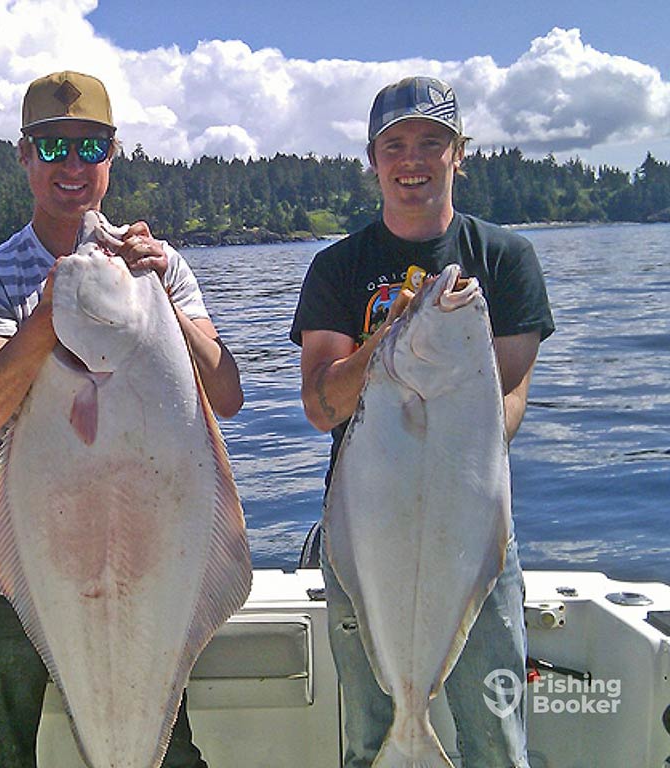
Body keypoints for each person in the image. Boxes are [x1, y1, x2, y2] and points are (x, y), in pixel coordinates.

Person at [0, 70, 243, 768]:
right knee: (2, 755)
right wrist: (52, 315)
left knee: (166, 747)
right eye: (51, 148)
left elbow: (225, 393)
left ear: (113, 156)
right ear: (23, 156)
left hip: (151, 549)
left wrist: (159, 293)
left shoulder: (161, 269)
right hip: (18, 558)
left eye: (90, 147)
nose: (72, 166)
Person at [290, 76, 554, 767]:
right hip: (365, 527)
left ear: (459, 153)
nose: (413, 159)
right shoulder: (337, 268)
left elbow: (509, 405)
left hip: (471, 531)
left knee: (497, 741)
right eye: (396, 144)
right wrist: (393, 340)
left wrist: (440, 375)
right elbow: (321, 408)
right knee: (370, 739)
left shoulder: (506, 259)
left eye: (431, 142)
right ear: (373, 160)